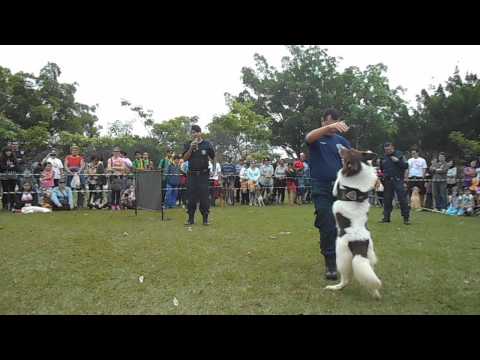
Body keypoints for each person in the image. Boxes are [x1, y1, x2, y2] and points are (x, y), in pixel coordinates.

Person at [305, 108, 351, 280]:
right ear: (323, 121)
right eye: (330, 122)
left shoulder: (342, 141)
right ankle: (330, 263)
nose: (334, 127)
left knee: (344, 224)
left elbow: (352, 160)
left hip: (341, 187)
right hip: (321, 187)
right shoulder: (317, 139)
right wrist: (328, 128)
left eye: (336, 123)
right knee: (326, 222)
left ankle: (348, 255)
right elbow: (309, 137)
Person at [182, 125, 215, 225]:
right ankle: (190, 219)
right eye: (192, 132)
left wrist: (214, 169)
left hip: (203, 175)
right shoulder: (188, 144)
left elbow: (213, 157)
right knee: (191, 197)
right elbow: (184, 158)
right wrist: (191, 148)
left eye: (196, 132)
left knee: (204, 197)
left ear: (200, 133)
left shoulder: (207, 144)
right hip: (192, 175)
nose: (194, 134)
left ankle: (205, 219)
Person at [379, 142, 410, 225]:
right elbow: (382, 169)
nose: (387, 151)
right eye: (386, 150)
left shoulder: (400, 155)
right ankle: (386, 218)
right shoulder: (383, 157)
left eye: (389, 149)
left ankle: (406, 218)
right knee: (387, 200)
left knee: (402, 199)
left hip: (398, 180)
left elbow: (406, 166)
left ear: (393, 147)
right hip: (388, 181)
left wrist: (398, 161)